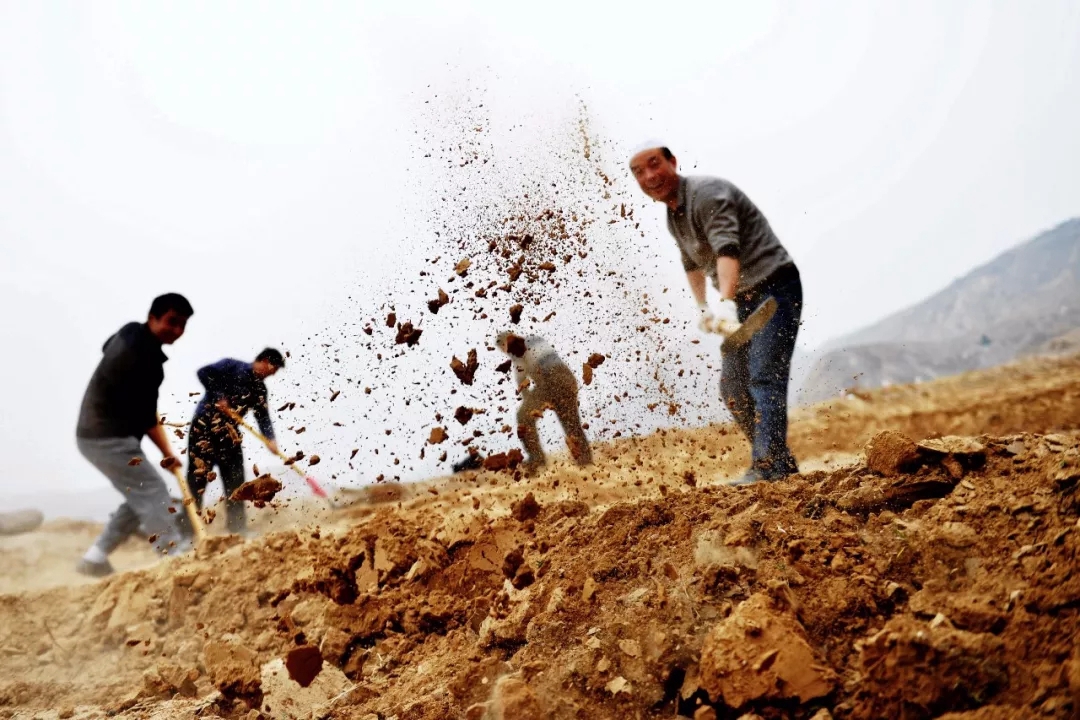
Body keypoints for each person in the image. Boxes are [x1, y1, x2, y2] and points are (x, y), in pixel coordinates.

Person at [629, 143, 803, 484]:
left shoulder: (707, 194)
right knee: (734, 386)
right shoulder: (673, 214)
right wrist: (704, 307)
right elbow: (691, 261)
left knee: (765, 374)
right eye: (639, 172)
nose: (649, 176)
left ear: (673, 162)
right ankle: (777, 463)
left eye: (654, 165)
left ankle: (770, 468)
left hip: (774, 288)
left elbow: (727, 249)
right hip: (744, 297)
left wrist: (723, 300)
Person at [75, 293, 195, 576]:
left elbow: (107, 347)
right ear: (152, 318)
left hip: (95, 435)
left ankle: (94, 559)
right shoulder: (147, 362)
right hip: (106, 438)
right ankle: (173, 557)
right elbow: (147, 420)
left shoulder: (130, 331)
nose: (176, 330)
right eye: (171, 322)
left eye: (182, 325)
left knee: (137, 495)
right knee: (153, 491)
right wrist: (168, 453)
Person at [186, 349, 284, 534]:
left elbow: (263, 416)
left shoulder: (260, 388)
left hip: (230, 435)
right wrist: (219, 396)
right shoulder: (231, 366)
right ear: (263, 360)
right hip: (204, 428)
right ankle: (188, 532)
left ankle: (237, 529)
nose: (273, 373)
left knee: (236, 481)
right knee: (196, 480)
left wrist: (270, 439)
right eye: (273, 368)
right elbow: (203, 372)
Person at [496, 332, 592, 473]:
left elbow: (523, 381)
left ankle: (537, 460)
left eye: (503, 347)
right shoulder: (533, 340)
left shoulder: (519, 350)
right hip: (567, 379)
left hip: (551, 380)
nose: (505, 352)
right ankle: (585, 461)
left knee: (523, 416)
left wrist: (530, 403)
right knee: (571, 423)